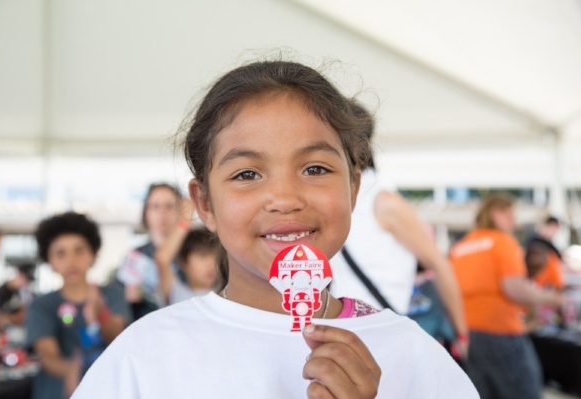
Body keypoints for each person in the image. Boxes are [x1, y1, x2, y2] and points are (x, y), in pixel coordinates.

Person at [73, 59, 478, 398]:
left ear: (354, 188)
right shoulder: (145, 355)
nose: (284, 197)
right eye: (247, 173)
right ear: (205, 204)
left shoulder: (414, 355)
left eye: (315, 168)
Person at [329, 104, 468, 349]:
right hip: (337, 335)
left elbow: (439, 264)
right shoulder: (331, 199)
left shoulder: (382, 201)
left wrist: (462, 335)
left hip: (379, 338)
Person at [450, 193, 564, 399]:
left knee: (482, 391)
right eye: (510, 216)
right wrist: (550, 298)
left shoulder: (460, 247)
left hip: (469, 332)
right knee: (524, 390)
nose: (515, 222)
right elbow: (513, 289)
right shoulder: (502, 242)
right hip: (501, 330)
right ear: (496, 214)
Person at [26, 212, 131, 399]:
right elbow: (48, 356)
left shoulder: (112, 294)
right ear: (49, 260)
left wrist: (101, 314)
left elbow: (118, 338)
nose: (71, 260)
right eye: (60, 253)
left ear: (92, 254)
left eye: (79, 250)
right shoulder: (41, 305)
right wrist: (73, 370)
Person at [116, 183, 192, 320]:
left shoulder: (195, 252)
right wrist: (126, 297)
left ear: (182, 211)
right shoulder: (135, 256)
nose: (162, 213)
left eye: (169, 206)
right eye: (155, 206)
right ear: (145, 213)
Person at [154, 223, 218, 304]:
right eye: (203, 256)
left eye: (216, 257)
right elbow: (162, 259)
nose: (212, 264)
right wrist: (185, 220)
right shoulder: (176, 293)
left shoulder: (227, 293)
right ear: (183, 261)